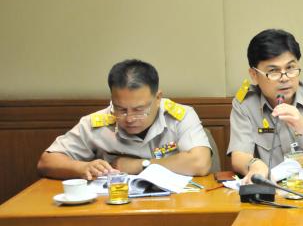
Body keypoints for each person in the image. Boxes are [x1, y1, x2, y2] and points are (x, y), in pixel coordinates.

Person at [38, 59, 212, 180]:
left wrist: (139, 165)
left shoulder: (180, 116)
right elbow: (46, 161)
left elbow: (200, 163)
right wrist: (82, 168)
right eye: (121, 109)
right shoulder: (98, 122)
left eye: (139, 109)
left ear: (158, 98)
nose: (129, 119)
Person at [228, 29, 303, 182]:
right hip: (273, 192)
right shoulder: (246, 105)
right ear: (254, 75)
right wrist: (254, 164)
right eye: (273, 71)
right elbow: (239, 156)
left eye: (290, 68)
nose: (284, 78)